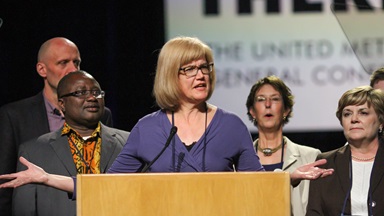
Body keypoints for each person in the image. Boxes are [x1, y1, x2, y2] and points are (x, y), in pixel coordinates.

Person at [0, 36, 333, 198]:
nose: (201, 75)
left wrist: (291, 176)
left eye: (205, 68)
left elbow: (256, 183)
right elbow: (103, 186)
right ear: (171, 76)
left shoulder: (231, 125)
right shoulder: (148, 128)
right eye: (189, 69)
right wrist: (47, 178)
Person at [0, 37, 113, 215]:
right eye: (63, 63)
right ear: (42, 69)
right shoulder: (14, 116)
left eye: (76, 62)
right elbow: (6, 182)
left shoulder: (101, 113)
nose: (73, 70)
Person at [12, 70, 129, 216]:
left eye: (97, 92)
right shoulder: (33, 151)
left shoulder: (128, 143)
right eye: (80, 93)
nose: (92, 97)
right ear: (62, 104)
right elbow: (24, 209)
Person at [246, 75, 321, 216]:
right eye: (261, 99)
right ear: (252, 111)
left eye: (275, 99)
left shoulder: (311, 156)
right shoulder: (239, 160)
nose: (268, 104)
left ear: (286, 110)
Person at [306, 86, 384, 215]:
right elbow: (315, 212)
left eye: (363, 113)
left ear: (381, 121)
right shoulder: (326, 162)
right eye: (347, 114)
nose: (354, 119)